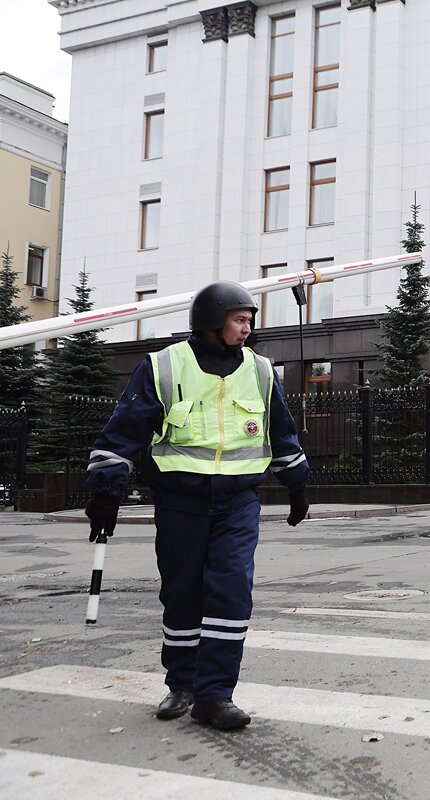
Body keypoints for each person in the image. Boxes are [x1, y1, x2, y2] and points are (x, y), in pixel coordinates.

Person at [84, 280, 310, 731]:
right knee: (182, 593)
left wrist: (296, 485)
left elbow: (281, 432)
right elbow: (123, 431)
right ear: (212, 320)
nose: (247, 328)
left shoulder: (261, 371)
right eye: (239, 320)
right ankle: (182, 684)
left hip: (237, 503)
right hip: (179, 502)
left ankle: (215, 695)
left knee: (231, 591)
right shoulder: (164, 366)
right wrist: (105, 494)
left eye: (249, 321)